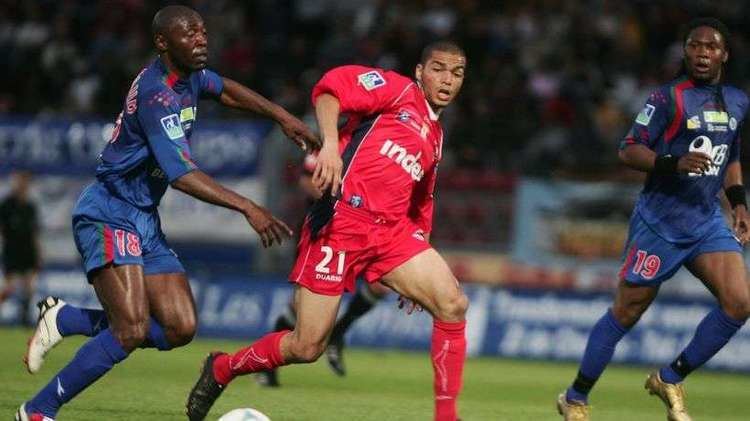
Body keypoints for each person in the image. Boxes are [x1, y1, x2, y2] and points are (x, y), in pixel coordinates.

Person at [16, 5, 317, 420]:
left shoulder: (190, 77)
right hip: (109, 211)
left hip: (143, 217)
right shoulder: (157, 95)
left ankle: (67, 318)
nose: (201, 39)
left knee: (179, 327)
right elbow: (180, 174)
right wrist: (247, 206)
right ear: (162, 43)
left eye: (202, 31)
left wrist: (282, 116)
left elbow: (226, 89)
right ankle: (37, 409)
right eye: (189, 33)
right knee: (131, 330)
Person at [186, 41, 468, 421]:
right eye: (438, 69)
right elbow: (330, 89)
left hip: (392, 234)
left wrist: (419, 253)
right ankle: (223, 368)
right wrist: (331, 147)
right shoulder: (397, 89)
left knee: (452, 304)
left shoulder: (435, 137)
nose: (447, 80)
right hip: (340, 223)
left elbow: (422, 202)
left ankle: (447, 417)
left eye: (456, 73)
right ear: (420, 72)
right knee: (306, 346)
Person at [557, 18, 750, 421]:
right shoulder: (667, 99)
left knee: (739, 303)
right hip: (660, 223)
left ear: (723, 55)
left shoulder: (737, 101)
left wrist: (739, 203)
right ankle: (576, 397)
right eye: (694, 46)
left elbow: (730, 157)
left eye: (710, 47)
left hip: (705, 222)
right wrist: (673, 162)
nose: (701, 53)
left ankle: (670, 377)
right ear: (685, 52)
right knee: (626, 313)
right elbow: (628, 149)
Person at [256, 153, 389, 387]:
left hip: (363, 230)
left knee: (381, 285)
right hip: (324, 230)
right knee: (298, 309)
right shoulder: (325, 149)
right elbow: (306, 181)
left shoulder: (371, 147)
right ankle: (266, 368)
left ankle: (338, 333)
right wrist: (336, 196)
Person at [0, 171, 42, 326]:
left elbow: (34, 233)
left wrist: (38, 253)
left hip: (27, 251)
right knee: (9, 288)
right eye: (19, 181)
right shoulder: (6, 205)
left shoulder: (30, 207)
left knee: (29, 288)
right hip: (12, 250)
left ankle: (24, 319)